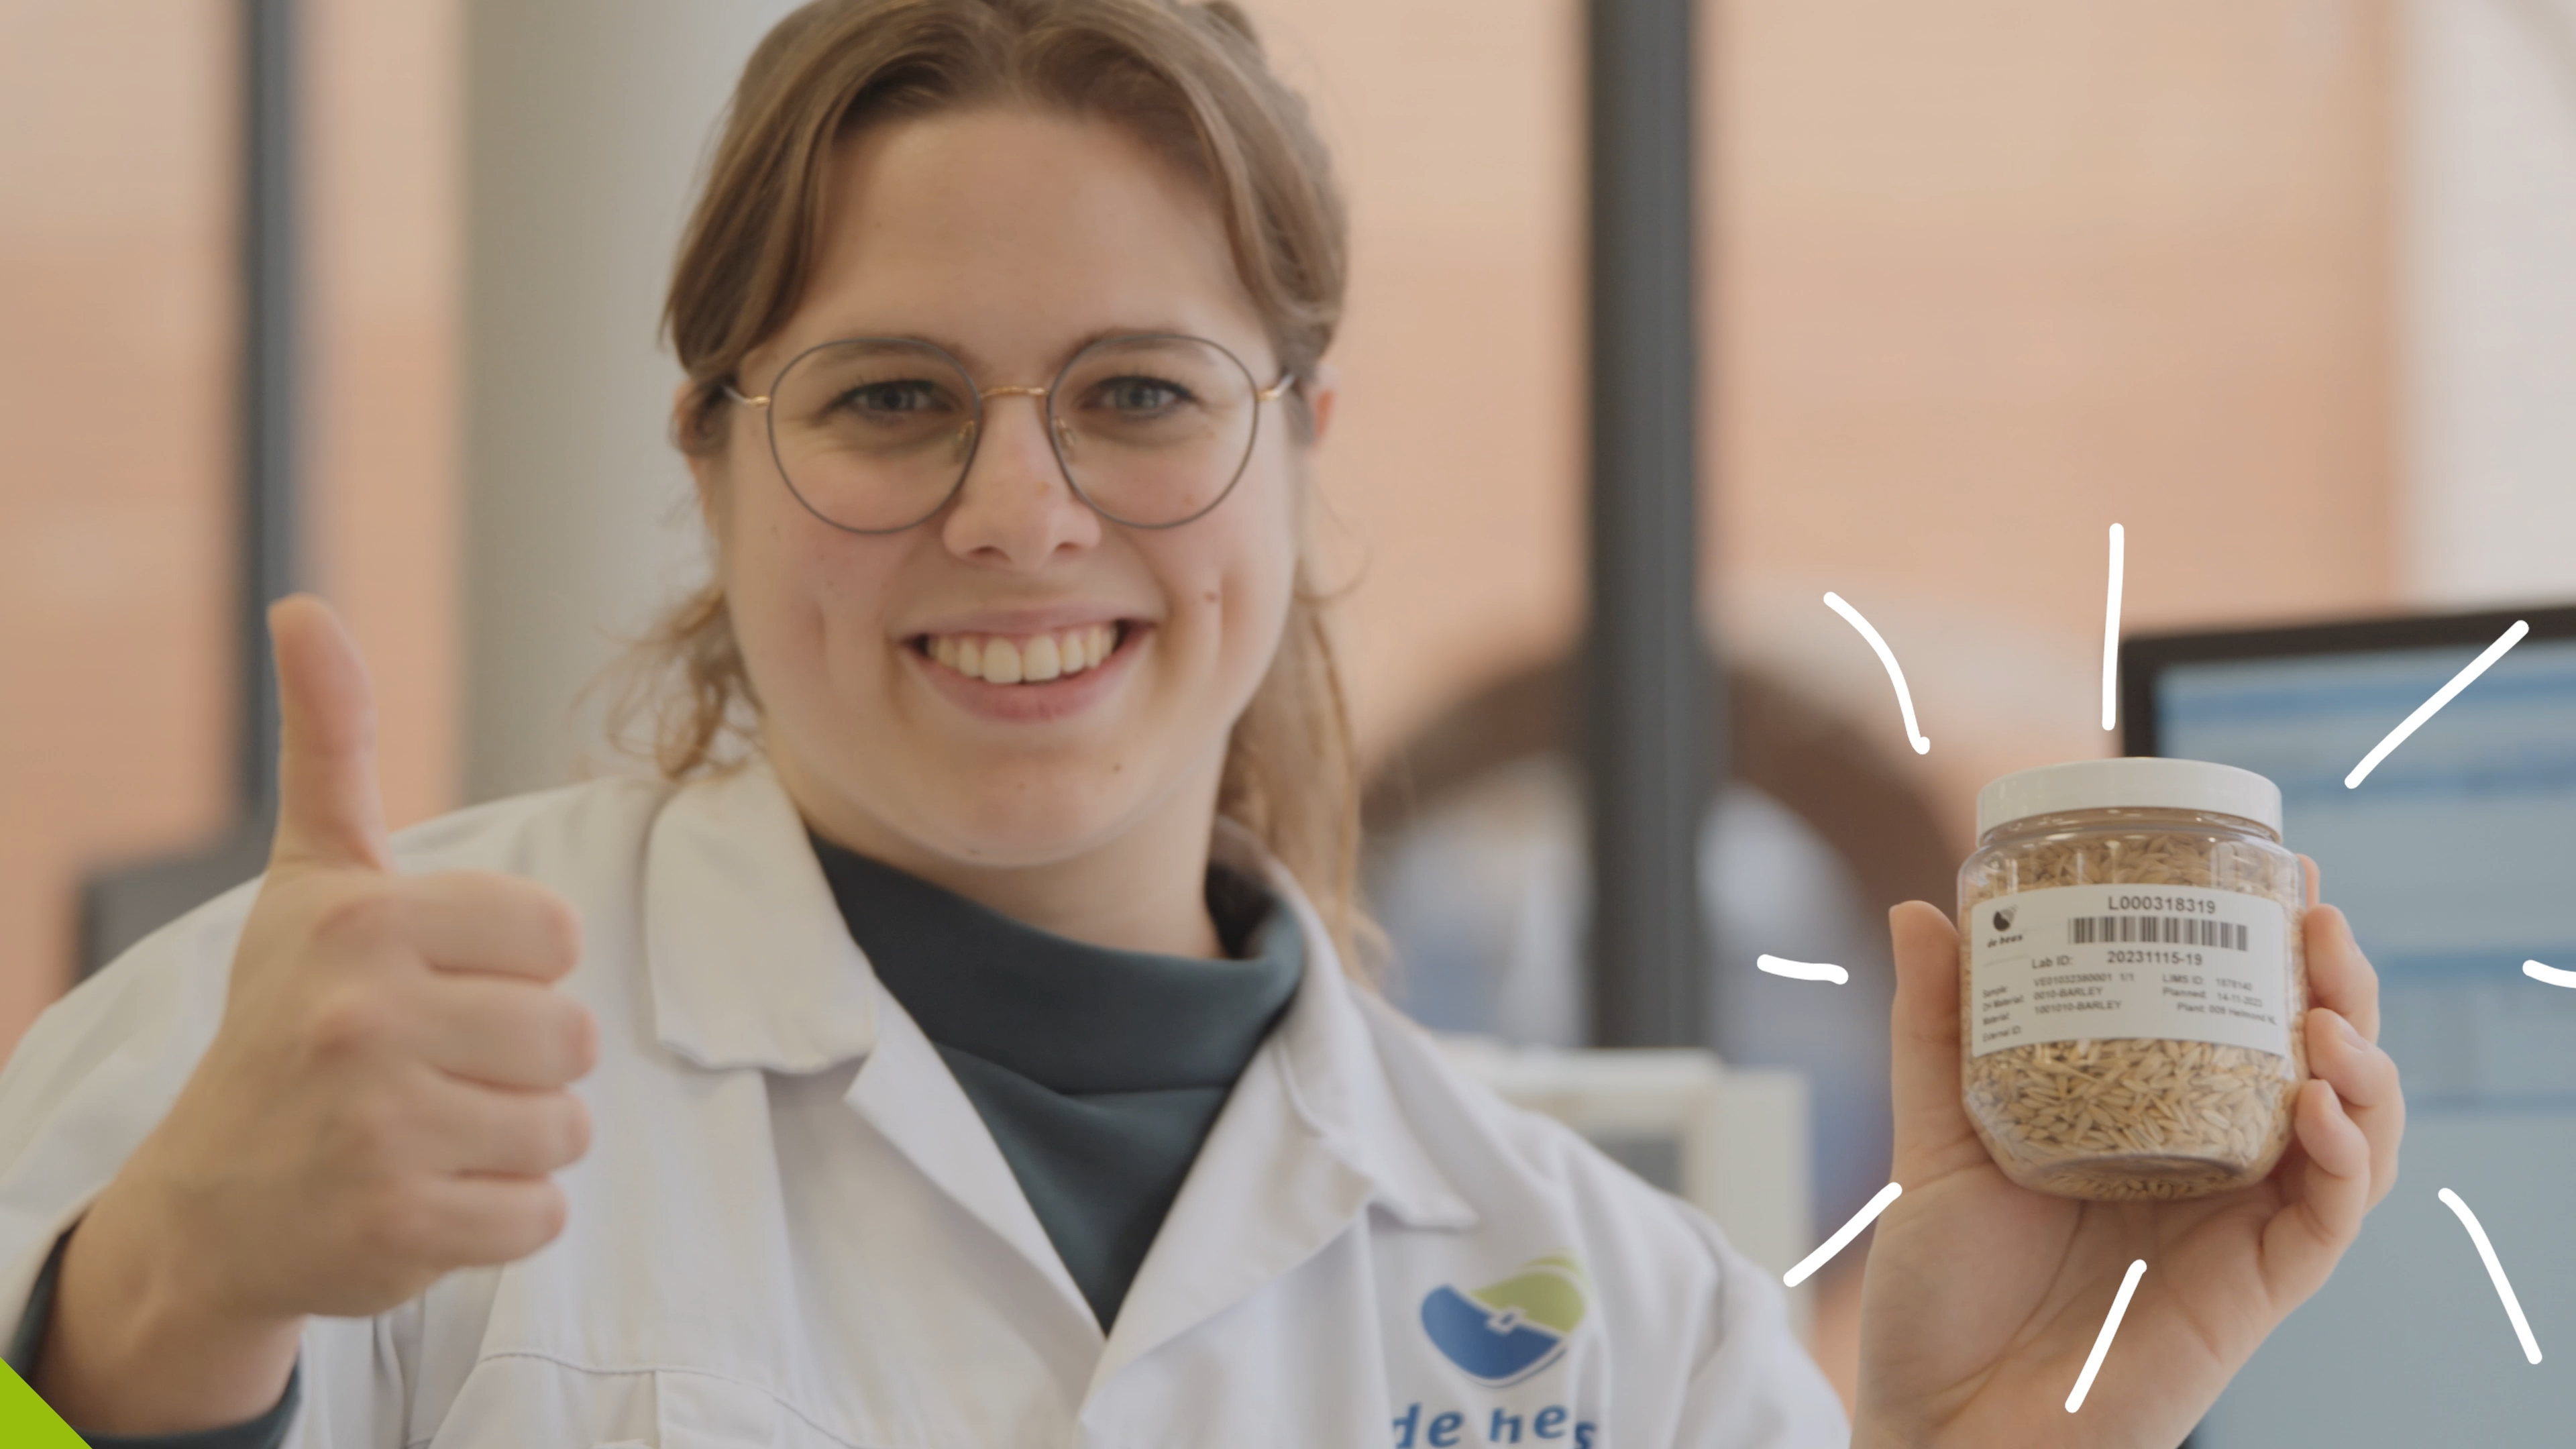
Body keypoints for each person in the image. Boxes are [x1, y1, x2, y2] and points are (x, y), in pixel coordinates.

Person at [0, 1, 2406, 1444]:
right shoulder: (306, 1066)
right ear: (713, 460)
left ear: (1300, 445)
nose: (1017, 514)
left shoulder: (1615, 1307)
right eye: (890, 397)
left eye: (1139, 392)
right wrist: (161, 1312)